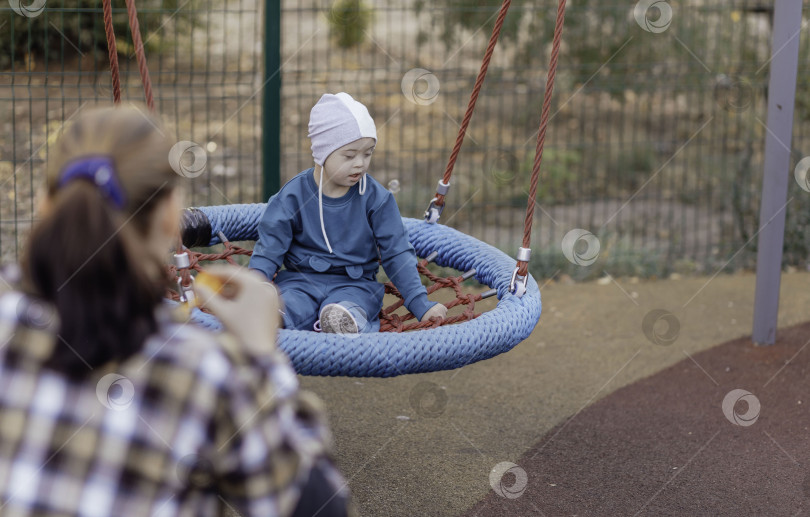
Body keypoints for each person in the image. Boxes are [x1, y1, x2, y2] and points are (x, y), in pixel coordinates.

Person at [0, 105, 351, 516]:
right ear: (171, 219)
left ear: (45, 204)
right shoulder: (205, 372)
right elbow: (318, 506)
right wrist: (260, 357)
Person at [249, 92, 447, 333]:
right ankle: (275, 313)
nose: (360, 163)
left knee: (351, 305)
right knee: (291, 302)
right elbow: (270, 245)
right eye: (350, 155)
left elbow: (396, 253)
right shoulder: (293, 196)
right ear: (322, 153)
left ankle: (342, 320)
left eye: (368, 153)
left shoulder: (376, 199)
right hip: (300, 282)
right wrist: (255, 282)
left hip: (354, 284)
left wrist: (420, 303)